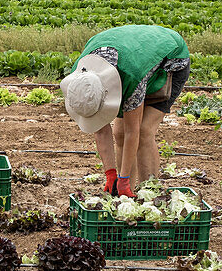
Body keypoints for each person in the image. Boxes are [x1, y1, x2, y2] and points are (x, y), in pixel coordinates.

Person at [61, 25, 190, 197]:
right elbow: (100, 130)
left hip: (170, 59)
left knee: (144, 131)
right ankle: (125, 195)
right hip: (133, 57)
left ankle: (149, 196)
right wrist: (111, 174)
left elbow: (133, 131)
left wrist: (123, 178)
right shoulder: (80, 79)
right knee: (119, 133)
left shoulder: (131, 76)